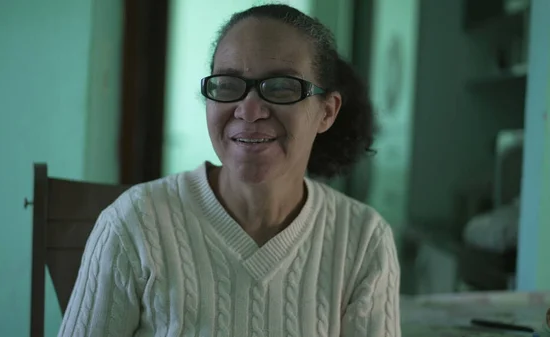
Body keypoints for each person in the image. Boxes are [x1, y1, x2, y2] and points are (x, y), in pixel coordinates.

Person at [58, 4, 400, 337]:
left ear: (327, 112)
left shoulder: (363, 240)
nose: (249, 111)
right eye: (228, 85)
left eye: (281, 87)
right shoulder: (135, 222)